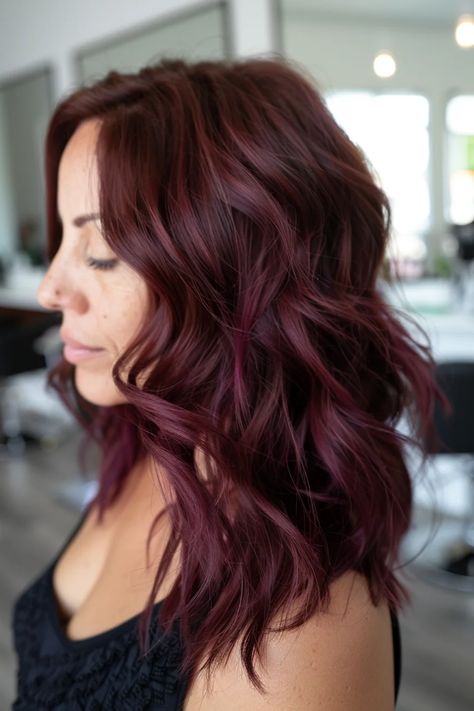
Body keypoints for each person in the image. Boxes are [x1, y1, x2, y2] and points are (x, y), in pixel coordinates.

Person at [11, 56, 445, 710]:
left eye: (99, 251)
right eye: (62, 242)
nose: (50, 288)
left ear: (235, 274)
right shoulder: (147, 447)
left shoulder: (298, 625)